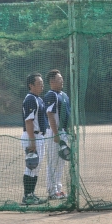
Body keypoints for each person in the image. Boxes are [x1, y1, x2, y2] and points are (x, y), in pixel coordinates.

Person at [21, 73, 48, 205]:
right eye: (39, 84)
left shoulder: (38, 99)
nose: (42, 86)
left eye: (42, 83)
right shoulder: (30, 99)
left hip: (39, 136)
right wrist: (32, 141)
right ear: (31, 85)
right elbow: (29, 121)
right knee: (31, 165)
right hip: (32, 135)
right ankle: (27, 196)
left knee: (36, 167)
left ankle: (31, 194)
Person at [44, 69, 70, 200]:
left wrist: (69, 132)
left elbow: (68, 115)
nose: (62, 80)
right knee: (53, 162)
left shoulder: (64, 95)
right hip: (54, 132)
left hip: (63, 131)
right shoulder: (51, 95)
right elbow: (50, 115)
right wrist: (55, 134)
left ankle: (58, 189)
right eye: (59, 79)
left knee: (61, 162)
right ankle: (52, 190)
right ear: (52, 81)